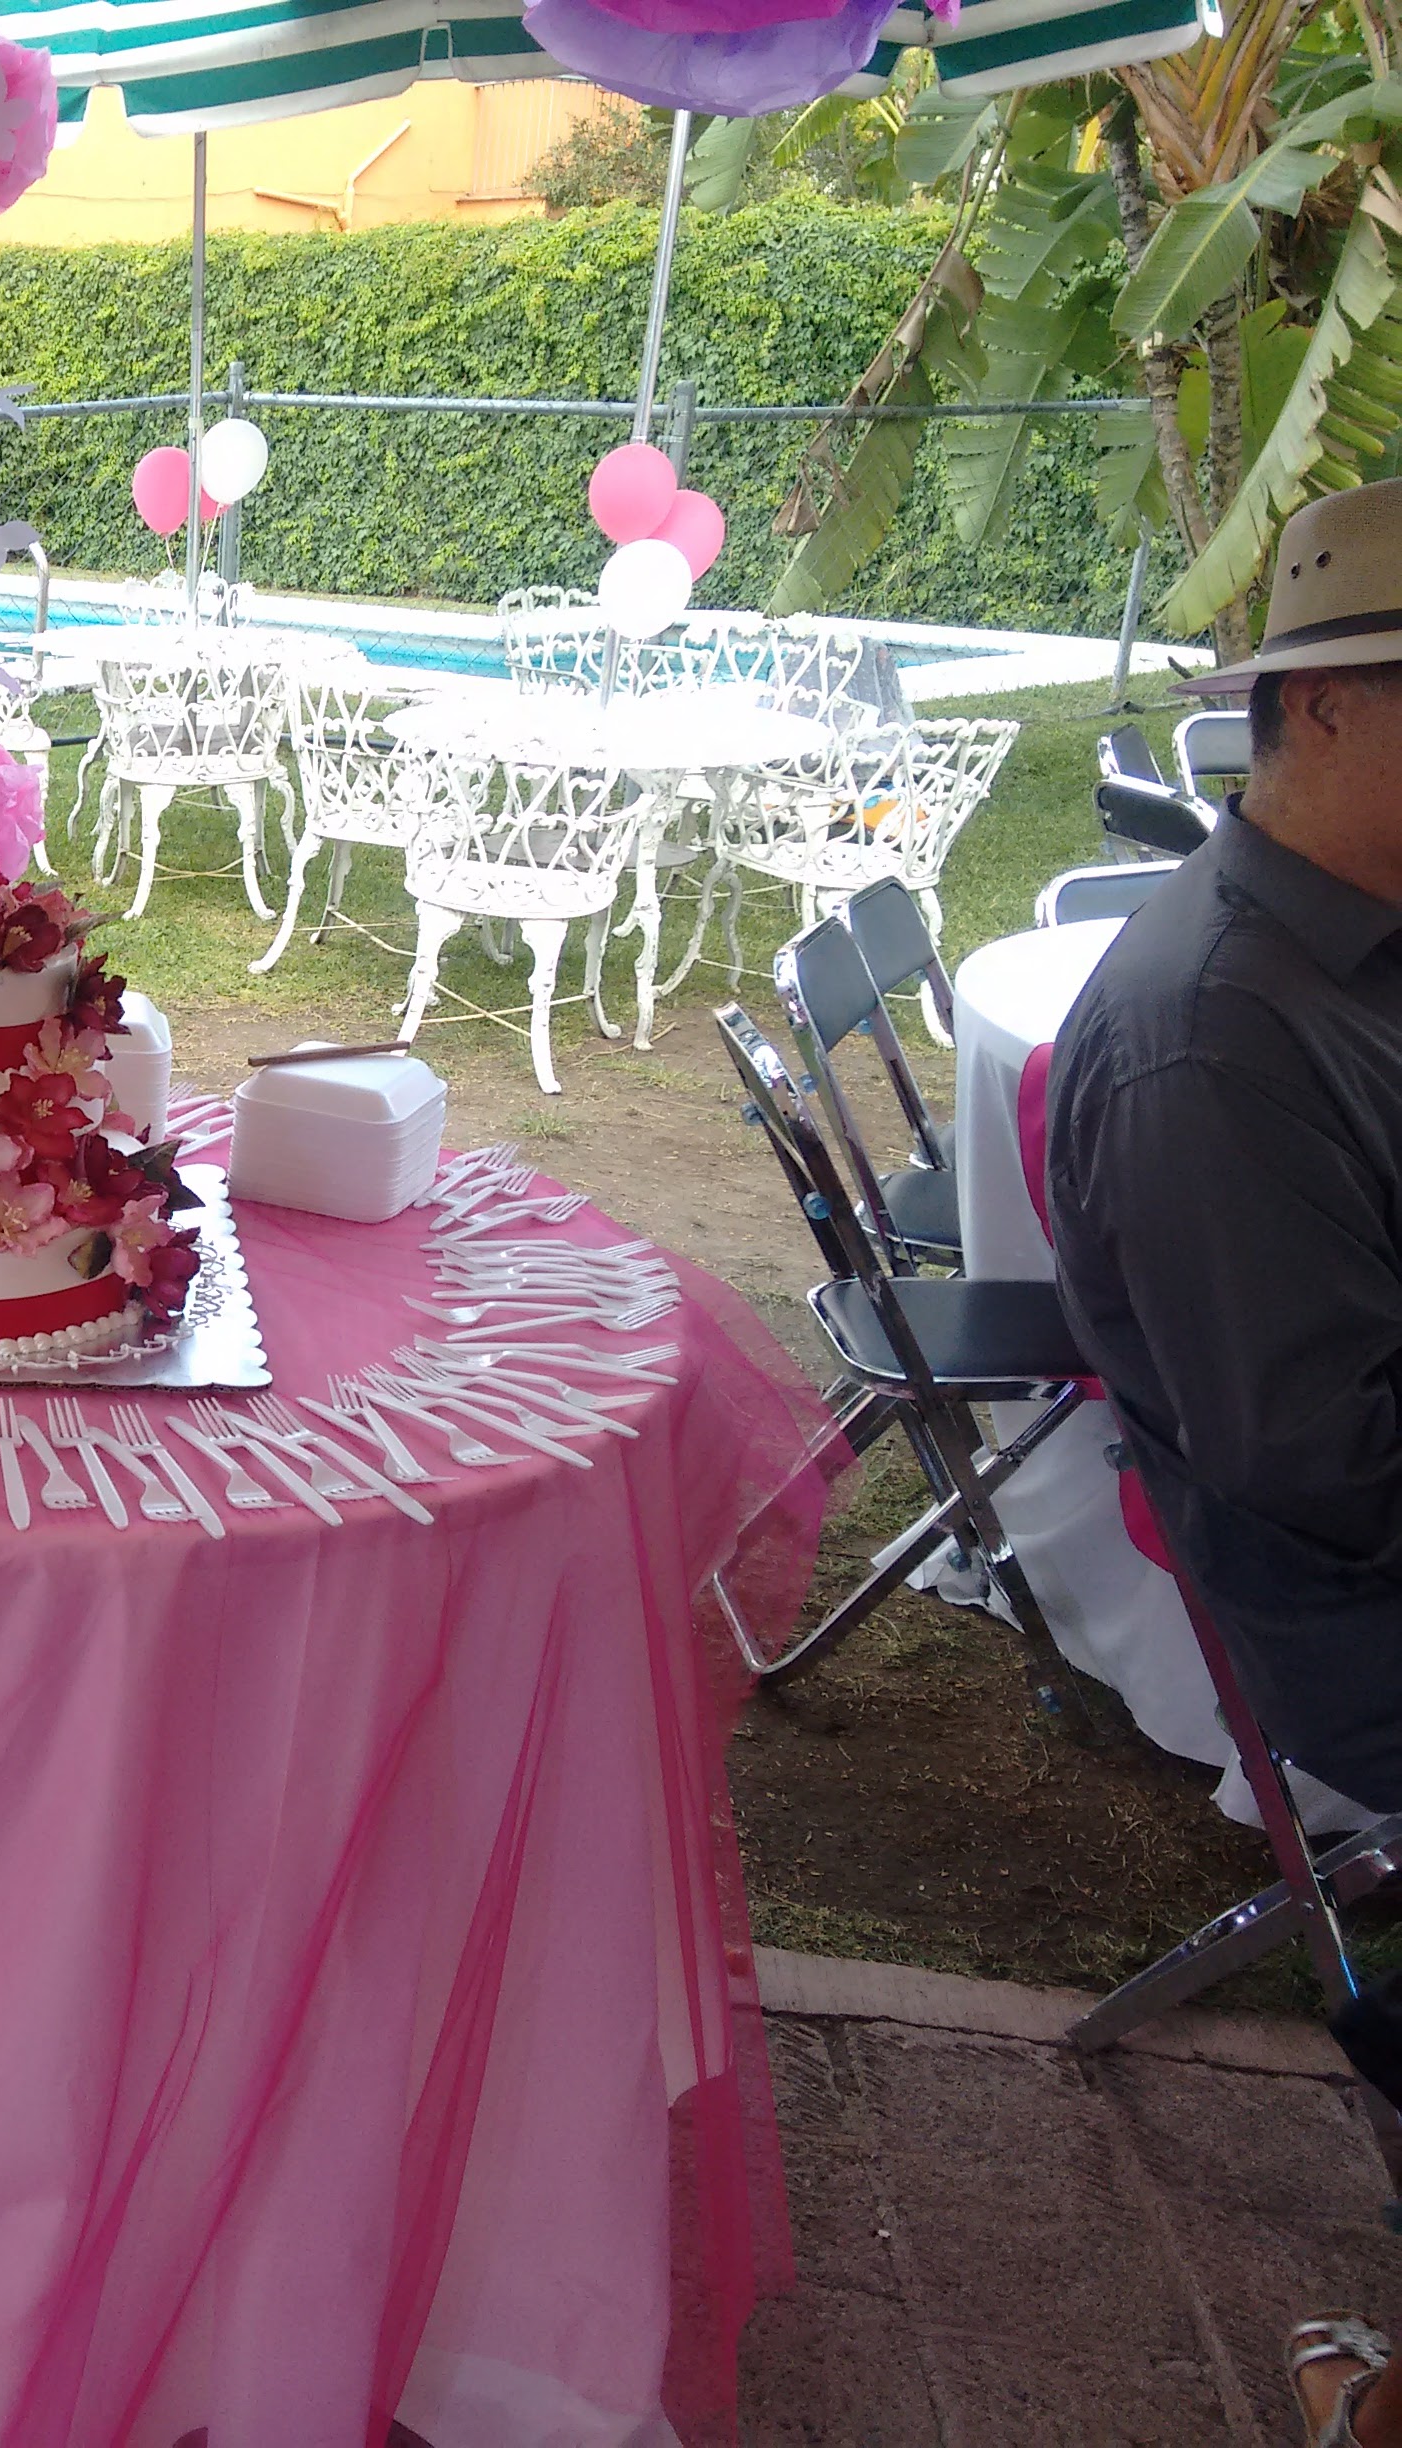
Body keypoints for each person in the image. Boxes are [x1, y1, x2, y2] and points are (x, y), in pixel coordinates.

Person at [1044, 480, 1402, 2448]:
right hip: (1350, 1607)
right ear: (1322, 705)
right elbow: (1323, 1465)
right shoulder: (1223, 1036)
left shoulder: (1357, 952)